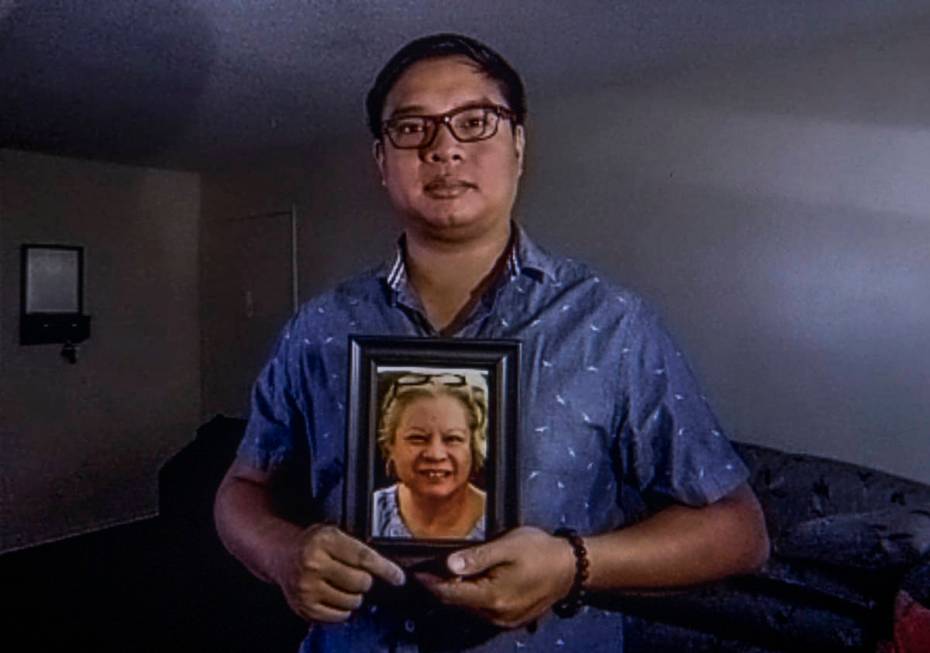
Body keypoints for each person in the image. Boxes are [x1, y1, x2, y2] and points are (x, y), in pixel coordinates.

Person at [214, 32, 770, 651]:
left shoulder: (614, 324)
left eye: (475, 121)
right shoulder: (317, 328)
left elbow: (740, 531)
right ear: (381, 160)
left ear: (519, 144)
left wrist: (573, 565)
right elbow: (241, 490)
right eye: (411, 128)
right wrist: (282, 552)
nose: (444, 147)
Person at [371, 372, 487, 541]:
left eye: (452, 439)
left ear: (474, 447)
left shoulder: (503, 517)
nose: (435, 454)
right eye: (417, 438)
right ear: (390, 445)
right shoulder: (367, 512)